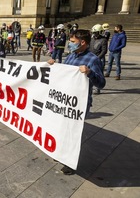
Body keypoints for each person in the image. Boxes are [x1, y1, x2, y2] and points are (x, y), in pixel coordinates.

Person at [48, 29, 106, 175]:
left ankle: (70, 162)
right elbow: (65, 73)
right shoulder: (71, 56)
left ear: (83, 42)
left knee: (73, 133)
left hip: (79, 103)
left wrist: (89, 72)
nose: (70, 44)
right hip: (64, 100)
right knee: (62, 129)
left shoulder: (93, 60)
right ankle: (61, 153)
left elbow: (101, 84)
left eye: (73, 42)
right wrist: (54, 66)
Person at [90, 24, 108, 94]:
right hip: (91, 58)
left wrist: (97, 58)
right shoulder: (92, 39)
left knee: (98, 74)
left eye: (96, 33)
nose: (95, 34)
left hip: (99, 59)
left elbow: (104, 51)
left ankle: (97, 88)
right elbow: (89, 48)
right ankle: (91, 86)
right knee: (90, 73)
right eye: (94, 33)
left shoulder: (103, 40)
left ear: (100, 32)